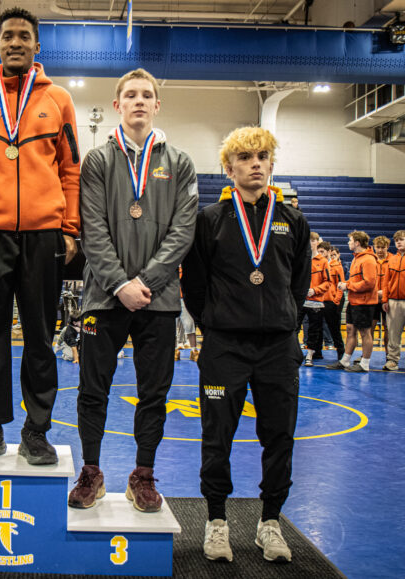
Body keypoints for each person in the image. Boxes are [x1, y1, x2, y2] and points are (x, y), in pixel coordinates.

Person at [0, 7, 80, 465]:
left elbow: (70, 169)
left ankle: (36, 430)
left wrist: (69, 228)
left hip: (44, 234)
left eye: (24, 36)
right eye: (8, 36)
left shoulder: (59, 100)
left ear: (37, 46)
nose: (15, 43)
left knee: (42, 337)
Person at [68, 68, 198, 513]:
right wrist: (120, 283)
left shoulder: (179, 163)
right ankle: (91, 471)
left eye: (147, 95)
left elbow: (183, 232)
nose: (139, 101)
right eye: (130, 95)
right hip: (104, 297)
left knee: (154, 393)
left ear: (156, 105)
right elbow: (92, 229)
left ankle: (142, 474)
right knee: (92, 390)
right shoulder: (98, 161)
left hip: (159, 301)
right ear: (118, 103)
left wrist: (146, 281)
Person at [181, 126, 311, 564]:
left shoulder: (292, 220)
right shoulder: (210, 220)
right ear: (229, 167)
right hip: (224, 349)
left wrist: (285, 322)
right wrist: (215, 326)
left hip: (278, 349)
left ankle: (269, 521)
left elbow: (299, 285)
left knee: (280, 437)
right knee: (217, 435)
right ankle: (216, 521)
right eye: (245, 158)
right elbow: (195, 286)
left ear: (272, 164)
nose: (256, 164)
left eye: (263, 157)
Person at [326, 231, 378, 372]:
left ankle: (365, 364)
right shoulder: (357, 258)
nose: (348, 243)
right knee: (350, 331)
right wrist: (346, 283)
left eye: (350, 241)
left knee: (365, 333)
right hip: (354, 301)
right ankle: (345, 361)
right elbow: (356, 280)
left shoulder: (368, 259)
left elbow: (369, 283)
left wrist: (347, 286)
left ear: (357, 243)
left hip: (364, 303)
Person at [301, 232, 330, 366]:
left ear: (317, 242)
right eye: (309, 241)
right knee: (293, 327)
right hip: (300, 301)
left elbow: (327, 282)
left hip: (316, 302)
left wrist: (315, 290)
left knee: (314, 330)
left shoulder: (323, 262)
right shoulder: (301, 259)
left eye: (313, 241)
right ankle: (292, 354)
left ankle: (310, 355)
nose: (311, 243)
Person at [317, 241, 345, 359]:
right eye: (318, 252)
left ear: (329, 252)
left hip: (331, 301)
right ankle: (317, 352)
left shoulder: (336, 266)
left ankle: (341, 352)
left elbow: (340, 285)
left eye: (322, 252)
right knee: (317, 327)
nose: (320, 254)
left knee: (334, 328)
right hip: (319, 300)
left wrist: (336, 301)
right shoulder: (317, 265)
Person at [383, 230, 405, 371]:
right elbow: (385, 282)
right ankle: (392, 360)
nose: (398, 242)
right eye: (396, 240)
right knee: (393, 333)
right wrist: (385, 299)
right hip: (393, 301)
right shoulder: (391, 259)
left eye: (402, 239)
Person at [373, 235, 393, 351]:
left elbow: (395, 281)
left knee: (388, 328)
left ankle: (388, 355)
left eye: (383, 247)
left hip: (388, 299)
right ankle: (365, 355)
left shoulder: (393, 260)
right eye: (378, 247)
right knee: (369, 328)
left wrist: (384, 292)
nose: (380, 250)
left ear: (387, 247)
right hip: (373, 299)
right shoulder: (371, 260)